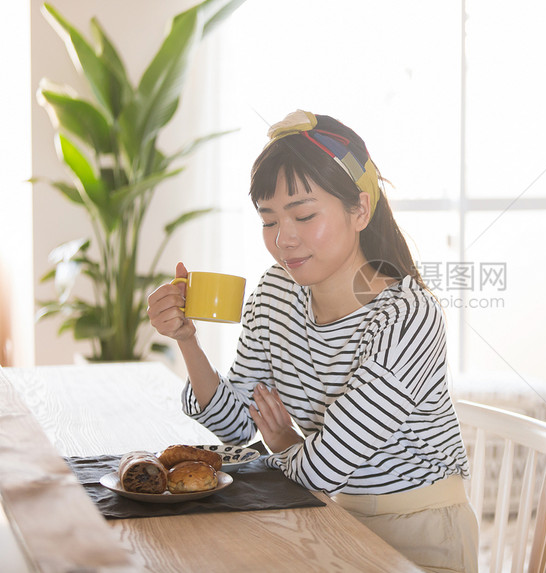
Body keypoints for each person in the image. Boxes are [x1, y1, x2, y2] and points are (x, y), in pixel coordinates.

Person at [147, 110, 479, 573]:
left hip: (420, 532)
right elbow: (240, 426)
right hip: (328, 515)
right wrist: (187, 341)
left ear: (360, 210)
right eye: (268, 220)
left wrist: (283, 442)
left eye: (304, 215)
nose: (284, 239)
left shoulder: (407, 317)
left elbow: (325, 467)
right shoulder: (277, 291)